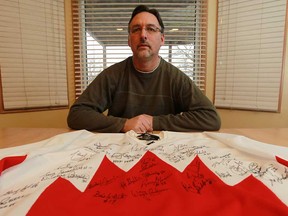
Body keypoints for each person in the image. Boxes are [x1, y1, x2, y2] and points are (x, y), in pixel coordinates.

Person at [67, 5, 221, 133]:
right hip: (119, 151)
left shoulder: (175, 77)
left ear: (162, 39)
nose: (143, 35)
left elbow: (211, 118)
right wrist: (124, 124)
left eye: (151, 29)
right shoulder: (113, 75)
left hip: (165, 152)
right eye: (136, 29)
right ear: (129, 40)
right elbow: (76, 115)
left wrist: (154, 122)